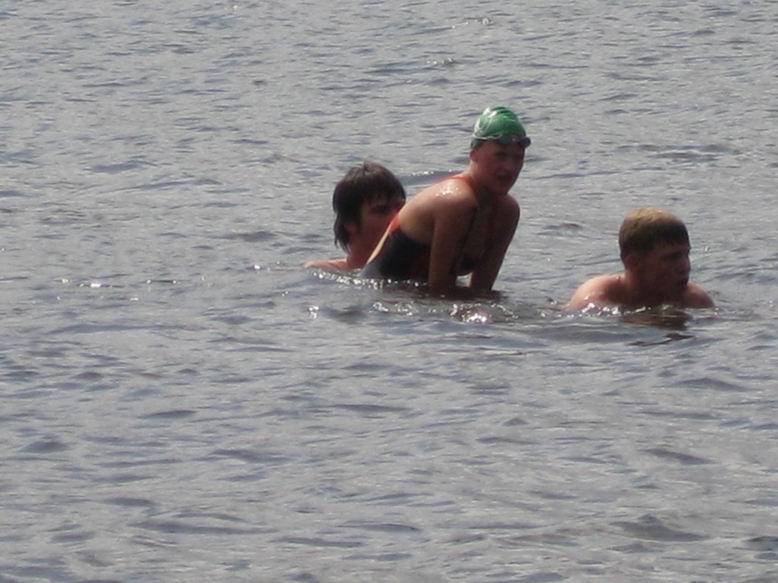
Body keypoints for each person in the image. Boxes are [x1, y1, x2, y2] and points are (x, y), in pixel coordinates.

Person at [361, 106, 530, 295]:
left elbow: (482, 291)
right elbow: (440, 293)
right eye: (500, 156)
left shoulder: (507, 212)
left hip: (415, 299)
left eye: (518, 158)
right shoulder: (456, 202)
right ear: (474, 154)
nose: (510, 168)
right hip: (377, 298)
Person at [567, 207, 714, 311]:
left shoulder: (695, 300)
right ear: (633, 262)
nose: (685, 266)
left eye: (686, 255)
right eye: (671, 258)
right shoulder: (595, 297)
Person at [305, 161, 406, 272]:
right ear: (349, 222)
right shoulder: (323, 271)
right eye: (382, 211)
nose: (397, 217)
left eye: (400, 207)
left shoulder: (415, 270)